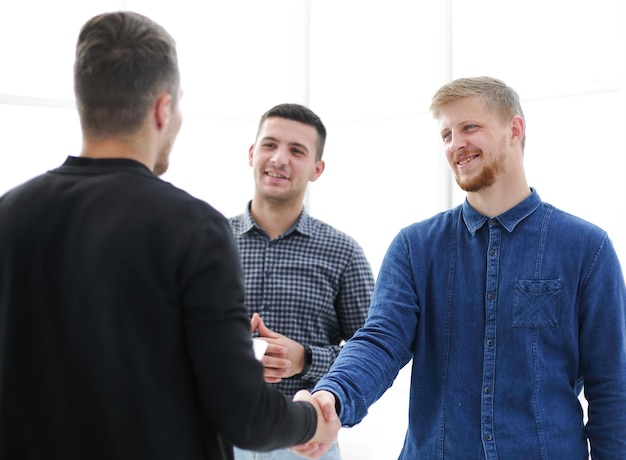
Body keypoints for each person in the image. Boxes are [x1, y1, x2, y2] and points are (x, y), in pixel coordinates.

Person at [0, 11, 340, 460]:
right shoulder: (195, 229)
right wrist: (311, 418)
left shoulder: (11, 212)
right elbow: (246, 416)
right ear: (163, 109)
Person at [293, 76, 626, 459]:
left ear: (514, 129)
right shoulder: (414, 247)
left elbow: (612, 387)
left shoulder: (587, 248)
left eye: (470, 127)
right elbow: (379, 341)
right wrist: (331, 397)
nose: (456, 145)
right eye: (447, 134)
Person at [230, 103, 375, 460]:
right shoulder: (207, 241)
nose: (280, 159)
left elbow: (371, 354)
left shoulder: (343, 253)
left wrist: (305, 359)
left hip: (304, 442)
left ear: (317, 169)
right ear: (252, 154)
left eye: (297, 151)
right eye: (269, 145)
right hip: (214, 432)